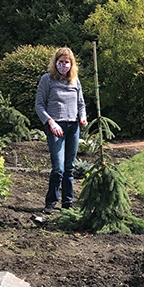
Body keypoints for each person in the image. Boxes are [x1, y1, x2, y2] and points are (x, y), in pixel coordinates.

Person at [35, 47, 87, 214]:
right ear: (55, 62)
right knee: (58, 168)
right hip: (55, 128)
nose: (64, 65)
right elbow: (39, 105)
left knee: (70, 167)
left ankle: (67, 202)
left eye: (67, 62)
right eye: (61, 62)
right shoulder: (47, 80)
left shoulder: (74, 81)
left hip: (73, 127)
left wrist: (82, 117)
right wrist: (51, 122)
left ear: (71, 64)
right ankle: (50, 202)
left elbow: (81, 103)